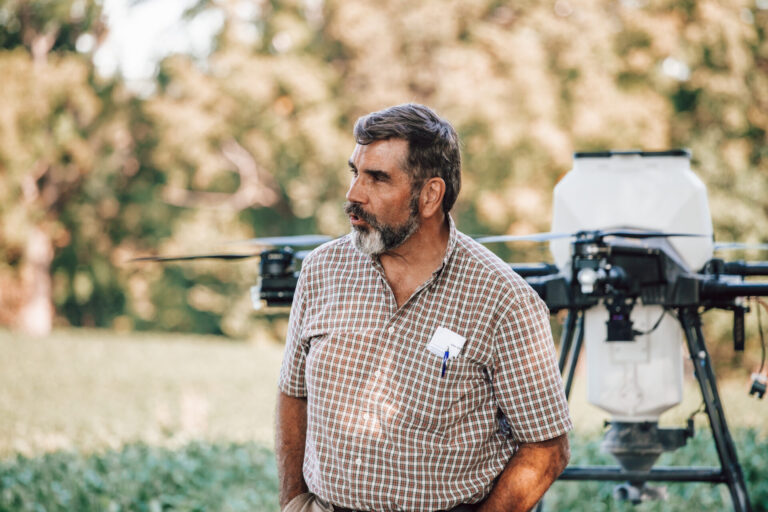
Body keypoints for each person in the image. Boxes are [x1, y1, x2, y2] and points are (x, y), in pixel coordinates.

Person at [276, 103, 572, 512]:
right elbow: (293, 392)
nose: (353, 194)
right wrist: (293, 501)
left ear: (430, 195)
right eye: (355, 172)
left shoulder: (503, 300)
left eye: (378, 178)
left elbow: (547, 447)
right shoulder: (321, 270)